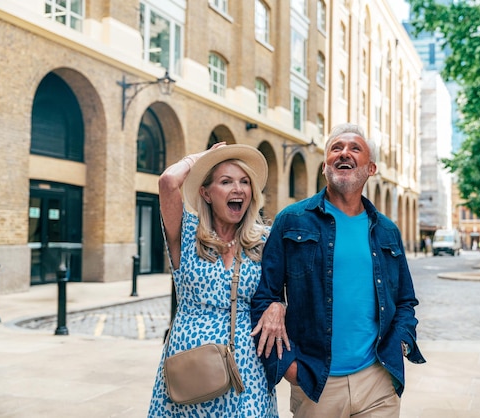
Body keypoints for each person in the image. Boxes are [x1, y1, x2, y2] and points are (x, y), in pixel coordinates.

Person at [251, 123, 426, 418]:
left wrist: (401, 344)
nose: (344, 153)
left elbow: (406, 301)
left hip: (377, 382)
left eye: (355, 148)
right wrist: (290, 367)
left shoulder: (386, 231)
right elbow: (262, 297)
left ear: (371, 168)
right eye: (336, 148)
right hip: (316, 383)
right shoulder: (291, 221)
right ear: (324, 166)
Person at [148, 143, 278, 417]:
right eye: (226, 181)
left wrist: (281, 306)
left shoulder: (263, 240)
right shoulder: (187, 234)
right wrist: (201, 158)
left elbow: (279, 292)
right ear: (206, 193)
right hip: (190, 366)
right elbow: (169, 182)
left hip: (246, 369)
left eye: (244, 182)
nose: (238, 189)